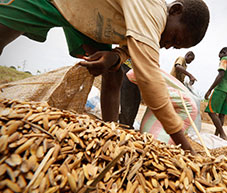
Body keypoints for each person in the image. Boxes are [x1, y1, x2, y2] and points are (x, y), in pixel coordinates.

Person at [0, 0, 210, 151]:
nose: (167, 45)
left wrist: (115, 58)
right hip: (62, 3)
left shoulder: (148, 26)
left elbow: (128, 52)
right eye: (173, 37)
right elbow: (149, 79)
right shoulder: (152, 12)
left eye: (174, 46)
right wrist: (184, 145)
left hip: (92, 23)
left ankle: (109, 133)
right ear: (174, 10)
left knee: (114, 76)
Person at [204, 47, 227, 141]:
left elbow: (221, 74)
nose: (220, 59)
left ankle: (222, 134)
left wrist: (210, 89)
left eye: (220, 57)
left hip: (220, 89)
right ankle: (217, 134)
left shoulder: (225, 60)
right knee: (222, 114)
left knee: (211, 111)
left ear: (223, 53)